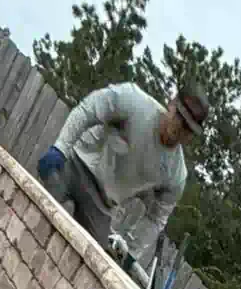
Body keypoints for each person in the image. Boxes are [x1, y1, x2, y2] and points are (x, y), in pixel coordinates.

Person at [37, 84, 207, 269]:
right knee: (37, 204)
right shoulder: (134, 101)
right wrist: (60, 147)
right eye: (178, 117)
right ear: (171, 104)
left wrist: (132, 252)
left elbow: (157, 218)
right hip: (76, 165)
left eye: (186, 128)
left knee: (89, 266)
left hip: (102, 204)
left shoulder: (175, 175)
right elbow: (89, 109)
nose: (178, 128)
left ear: (190, 136)